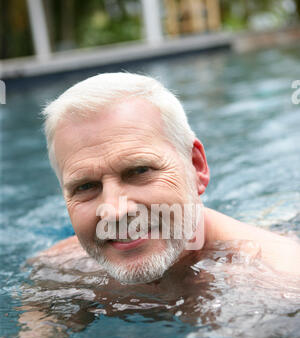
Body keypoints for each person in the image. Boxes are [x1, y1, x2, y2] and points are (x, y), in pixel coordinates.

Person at [39, 72, 300, 285]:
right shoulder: (60, 270)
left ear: (196, 166)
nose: (115, 212)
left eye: (139, 171)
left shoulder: (280, 282)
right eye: (85, 186)